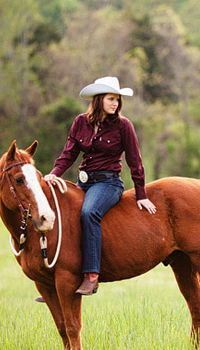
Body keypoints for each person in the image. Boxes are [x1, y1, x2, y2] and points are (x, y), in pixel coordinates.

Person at [45, 76, 156, 295]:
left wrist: (141, 194)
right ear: (98, 100)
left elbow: (135, 162)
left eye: (117, 100)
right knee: (61, 214)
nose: (115, 103)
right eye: (111, 99)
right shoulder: (80, 122)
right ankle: (59, 277)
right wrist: (53, 174)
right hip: (83, 181)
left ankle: (91, 275)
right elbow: (69, 154)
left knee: (88, 213)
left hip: (109, 183)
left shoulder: (124, 126)